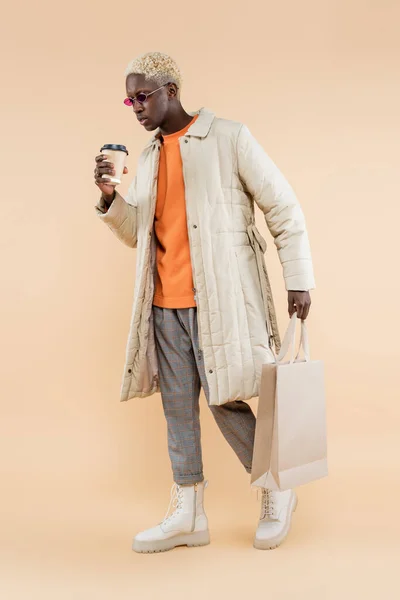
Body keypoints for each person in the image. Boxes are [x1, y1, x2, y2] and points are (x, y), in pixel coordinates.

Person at [93, 51, 316, 553]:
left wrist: (298, 278)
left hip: (219, 301)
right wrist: (111, 199)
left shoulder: (228, 138)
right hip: (163, 305)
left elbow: (282, 205)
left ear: (171, 90)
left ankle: (279, 487)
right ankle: (188, 512)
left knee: (227, 402)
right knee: (177, 409)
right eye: (129, 98)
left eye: (143, 95)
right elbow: (141, 236)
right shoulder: (147, 157)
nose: (135, 107)